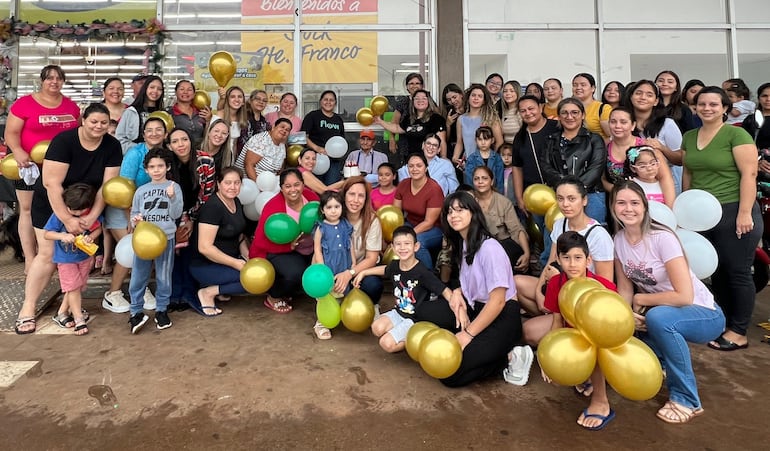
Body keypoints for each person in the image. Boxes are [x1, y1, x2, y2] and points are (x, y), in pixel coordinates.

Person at [611, 180, 725, 424]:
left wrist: (642, 299)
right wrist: (627, 314)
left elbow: (684, 296)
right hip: (664, 309)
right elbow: (624, 289)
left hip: (704, 314)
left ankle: (687, 399)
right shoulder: (619, 240)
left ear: (645, 206)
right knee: (629, 320)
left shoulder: (662, 238)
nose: (628, 209)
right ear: (613, 207)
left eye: (634, 203)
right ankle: (661, 363)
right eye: (621, 203)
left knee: (658, 318)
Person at [14, 103, 121, 335]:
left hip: (86, 206)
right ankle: (27, 308)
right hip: (53, 202)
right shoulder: (64, 141)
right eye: (94, 121)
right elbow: (52, 183)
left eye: (104, 123)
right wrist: (66, 219)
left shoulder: (112, 145)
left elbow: (106, 186)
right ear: (83, 119)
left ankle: (66, 309)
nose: (98, 126)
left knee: (80, 259)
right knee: (48, 254)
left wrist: (92, 215)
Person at [682, 86, 762, 351]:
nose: (707, 108)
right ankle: (723, 321)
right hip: (702, 215)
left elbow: (749, 175)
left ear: (725, 107)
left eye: (713, 104)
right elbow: (688, 174)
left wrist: (744, 213)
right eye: (701, 104)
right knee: (716, 272)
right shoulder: (690, 136)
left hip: (734, 208)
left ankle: (739, 331)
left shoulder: (736, 134)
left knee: (737, 271)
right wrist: (685, 208)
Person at [521, 231, 617, 429]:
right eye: (566, 258)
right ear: (558, 259)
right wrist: (549, 357)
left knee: (595, 345)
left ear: (588, 260)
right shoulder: (556, 282)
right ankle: (584, 375)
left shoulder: (603, 287)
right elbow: (557, 321)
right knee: (556, 369)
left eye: (578, 258)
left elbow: (613, 326)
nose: (572, 264)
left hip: (602, 336)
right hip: (573, 333)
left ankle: (601, 401)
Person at [439, 191, 523, 387]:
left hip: (502, 316)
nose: (454, 215)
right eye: (450, 212)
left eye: (460, 210)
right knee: (430, 315)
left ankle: (511, 357)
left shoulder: (489, 248)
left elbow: (498, 300)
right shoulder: (464, 243)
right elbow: (470, 280)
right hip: (478, 309)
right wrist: (458, 292)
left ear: (473, 213)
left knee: (450, 375)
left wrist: (468, 334)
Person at [5, 64, 80, 275]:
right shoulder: (24, 104)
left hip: (61, 169)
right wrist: (18, 151)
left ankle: (55, 255)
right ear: (42, 80)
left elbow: (78, 135)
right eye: (49, 78)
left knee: (59, 209)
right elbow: (11, 133)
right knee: (27, 210)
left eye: (58, 78)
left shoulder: (71, 106)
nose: (54, 82)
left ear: (63, 81)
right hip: (30, 167)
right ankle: (31, 257)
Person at [514, 176, 614, 316]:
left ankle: (560, 323)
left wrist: (562, 282)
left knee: (528, 332)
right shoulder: (559, 224)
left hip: (584, 298)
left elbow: (604, 286)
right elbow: (551, 262)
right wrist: (539, 292)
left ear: (584, 200)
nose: (565, 204)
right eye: (560, 199)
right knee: (517, 283)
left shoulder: (599, 235)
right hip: (558, 286)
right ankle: (550, 318)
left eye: (572, 199)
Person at [354, 225, 460, 352]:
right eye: (398, 244)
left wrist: (457, 309)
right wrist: (364, 272)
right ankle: (400, 334)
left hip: (414, 319)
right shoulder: (395, 265)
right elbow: (384, 270)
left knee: (386, 343)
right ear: (392, 247)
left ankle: (415, 341)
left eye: (407, 243)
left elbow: (444, 290)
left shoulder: (423, 272)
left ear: (416, 246)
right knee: (376, 328)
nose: (402, 248)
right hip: (399, 312)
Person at [102, 117, 168, 314]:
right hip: (124, 209)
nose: (154, 133)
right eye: (149, 129)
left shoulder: (165, 155)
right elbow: (124, 189)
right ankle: (112, 294)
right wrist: (132, 216)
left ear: (165, 134)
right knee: (131, 249)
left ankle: (140, 288)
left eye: (159, 129)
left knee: (146, 251)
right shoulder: (135, 153)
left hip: (147, 212)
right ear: (143, 133)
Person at [127, 148, 183, 334]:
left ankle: (161, 310)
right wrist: (135, 221)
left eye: (160, 166)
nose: (156, 170)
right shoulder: (141, 191)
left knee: (164, 276)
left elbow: (176, 214)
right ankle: (135, 311)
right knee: (138, 275)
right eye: (152, 167)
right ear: (146, 170)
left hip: (165, 238)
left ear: (167, 167)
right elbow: (134, 213)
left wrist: (172, 197)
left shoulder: (174, 187)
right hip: (144, 241)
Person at [249, 169, 320, 312]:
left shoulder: (312, 199)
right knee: (296, 273)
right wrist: (288, 246)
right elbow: (259, 242)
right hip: (280, 250)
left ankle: (292, 291)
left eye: (297, 185)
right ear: (281, 188)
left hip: (311, 249)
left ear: (303, 185)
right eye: (288, 186)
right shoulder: (273, 206)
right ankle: (274, 296)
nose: (293, 190)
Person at [189, 167, 250, 316]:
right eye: (228, 183)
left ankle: (221, 287)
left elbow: (239, 235)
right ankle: (208, 292)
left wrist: (247, 256)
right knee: (252, 279)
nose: (232, 187)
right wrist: (236, 264)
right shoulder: (213, 207)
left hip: (228, 260)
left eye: (236, 183)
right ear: (218, 183)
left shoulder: (236, 201)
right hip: (205, 264)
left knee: (261, 272)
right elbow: (205, 247)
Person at [43, 183, 102, 336]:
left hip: (84, 257)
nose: (77, 213)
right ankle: (79, 319)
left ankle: (62, 313)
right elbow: (47, 234)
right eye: (73, 210)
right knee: (74, 288)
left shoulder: (89, 214)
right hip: (65, 259)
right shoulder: (59, 216)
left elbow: (98, 228)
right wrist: (62, 236)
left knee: (77, 286)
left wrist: (91, 237)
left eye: (81, 210)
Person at [540, 98, 607, 224]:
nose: (569, 116)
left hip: (591, 194)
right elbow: (545, 167)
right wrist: (565, 190)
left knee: (592, 236)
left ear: (582, 115)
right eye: (564, 113)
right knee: (556, 235)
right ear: (559, 116)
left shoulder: (594, 139)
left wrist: (574, 191)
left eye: (574, 112)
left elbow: (596, 168)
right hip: (560, 195)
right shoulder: (550, 140)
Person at [511, 95, 560, 266]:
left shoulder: (556, 127)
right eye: (523, 111)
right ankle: (545, 266)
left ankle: (552, 265)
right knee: (541, 232)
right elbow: (517, 168)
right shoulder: (520, 137)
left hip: (558, 191)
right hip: (534, 196)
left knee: (556, 231)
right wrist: (519, 197)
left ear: (540, 108)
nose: (528, 113)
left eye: (531, 108)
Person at [627, 80, 684, 193]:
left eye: (649, 95)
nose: (643, 97)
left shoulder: (667, 124)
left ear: (656, 101)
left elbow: (680, 159)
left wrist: (662, 148)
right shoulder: (624, 124)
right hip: (634, 186)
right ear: (631, 97)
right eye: (638, 93)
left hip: (665, 184)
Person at [472, 166, 530, 273]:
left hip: (503, 244)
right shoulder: (470, 202)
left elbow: (516, 229)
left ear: (492, 181)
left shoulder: (503, 202)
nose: (480, 182)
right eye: (476, 179)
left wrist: (526, 253)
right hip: (479, 245)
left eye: (484, 178)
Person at [394, 153, 444, 270]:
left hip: (434, 229)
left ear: (425, 168)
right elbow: (395, 212)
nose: (414, 169)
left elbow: (429, 222)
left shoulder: (434, 189)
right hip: (410, 223)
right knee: (396, 236)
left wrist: (408, 235)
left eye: (418, 166)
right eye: (411, 166)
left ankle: (428, 279)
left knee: (417, 242)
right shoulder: (403, 184)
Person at [375, 89, 447, 157]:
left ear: (429, 101)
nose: (420, 100)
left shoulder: (436, 119)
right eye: (417, 98)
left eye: (424, 98)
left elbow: (442, 141)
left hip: (430, 160)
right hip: (412, 160)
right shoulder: (409, 119)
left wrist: (443, 158)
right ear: (413, 102)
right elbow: (397, 128)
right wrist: (380, 121)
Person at [452, 84, 504, 166]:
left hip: (486, 163)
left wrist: (492, 160)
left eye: (480, 96)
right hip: (468, 163)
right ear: (468, 98)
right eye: (473, 95)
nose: (476, 98)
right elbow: (459, 142)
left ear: (484, 100)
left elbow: (499, 142)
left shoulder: (490, 118)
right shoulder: (461, 119)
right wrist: (455, 157)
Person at [301, 90, 346, 185]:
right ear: (321, 101)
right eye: (325, 99)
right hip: (316, 160)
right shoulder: (313, 116)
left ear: (335, 103)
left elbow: (341, 140)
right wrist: (316, 148)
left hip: (334, 162)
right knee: (315, 189)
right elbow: (303, 136)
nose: (328, 102)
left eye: (331, 100)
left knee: (331, 190)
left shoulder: (338, 119)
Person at [116, 75, 164, 154]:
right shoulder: (131, 112)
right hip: (135, 157)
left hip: (159, 158)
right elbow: (120, 139)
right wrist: (142, 149)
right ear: (145, 89)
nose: (155, 91)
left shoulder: (164, 114)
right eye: (152, 87)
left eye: (159, 89)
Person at [602, 107, 645, 193]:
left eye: (623, 122)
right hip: (615, 198)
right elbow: (602, 179)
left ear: (633, 125)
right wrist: (620, 192)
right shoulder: (604, 147)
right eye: (613, 122)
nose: (617, 126)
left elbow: (664, 177)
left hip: (645, 197)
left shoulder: (644, 146)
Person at [389, 73, 426, 162]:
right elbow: (394, 123)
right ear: (407, 86)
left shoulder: (428, 100)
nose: (414, 86)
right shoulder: (403, 102)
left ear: (422, 86)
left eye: (417, 83)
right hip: (406, 144)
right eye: (411, 83)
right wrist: (392, 139)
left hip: (424, 144)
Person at [168, 80, 209, 149]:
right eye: (182, 89)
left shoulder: (201, 112)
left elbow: (207, 134)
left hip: (200, 151)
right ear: (176, 92)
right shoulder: (169, 114)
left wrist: (208, 120)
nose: (185, 92)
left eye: (189, 90)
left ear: (194, 94)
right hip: (179, 152)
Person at [214, 86, 249, 162]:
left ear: (243, 102)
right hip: (217, 158)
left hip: (230, 159)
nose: (236, 99)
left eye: (239, 97)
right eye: (232, 97)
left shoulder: (240, 119)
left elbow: (234, 145)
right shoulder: (220, 115)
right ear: (227, 100)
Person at [571, 73, 611, 140]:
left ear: (593, 88)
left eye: (583, 85)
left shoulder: (603, 108)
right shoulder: (568, 107)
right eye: (575, 85)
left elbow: (611, 135)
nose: (578, 88)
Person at [464, 126, 504, 192]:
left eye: (486, 139)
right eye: (480, 139)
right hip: (476, 194)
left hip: (493, 193)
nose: (483, 142)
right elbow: (469, 181)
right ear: (476, 140)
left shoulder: (497, 158)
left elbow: (500, 181)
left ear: (492, 140)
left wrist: (499, 197)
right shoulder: (471, 158)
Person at [742, 82, 770, 149]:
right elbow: (743, 142)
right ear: (758, 98)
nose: (768, 99)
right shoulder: (750, 119)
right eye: (764, 96)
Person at [441, 83, 465, 157]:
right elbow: (445, 139)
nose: (453, 101)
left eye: (454, 97)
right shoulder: (448, 112)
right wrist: (448, 125)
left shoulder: (471, 109)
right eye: (449, 99)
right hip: (453, 149)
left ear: (461, 94)